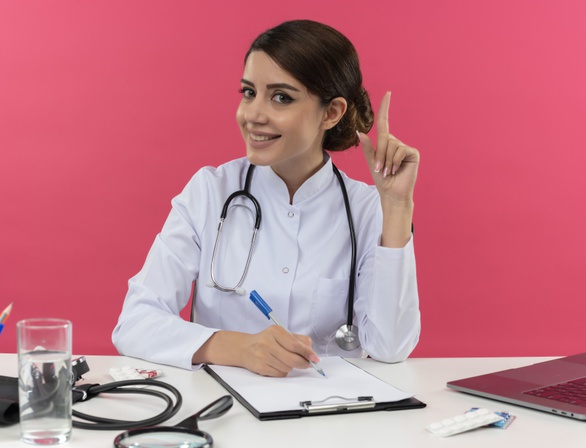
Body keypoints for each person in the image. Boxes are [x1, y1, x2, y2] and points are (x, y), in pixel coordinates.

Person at [112, 19, 421, 377]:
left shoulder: (367, 210)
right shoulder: (210, 193)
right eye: (248, 92)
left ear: (331, 113)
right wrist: (237, 347)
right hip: (224, 411)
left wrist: (397, 208)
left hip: (330, 419)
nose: (253, 115)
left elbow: (391, 348)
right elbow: (134, 321)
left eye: (281, 97)